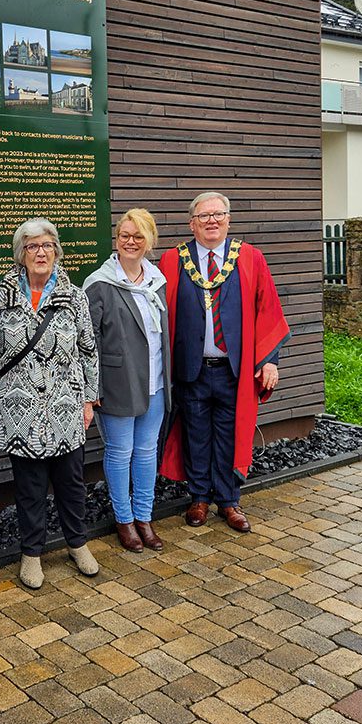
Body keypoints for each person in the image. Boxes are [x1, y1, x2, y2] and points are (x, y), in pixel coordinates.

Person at [158, 192, 290, 533]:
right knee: (196, 435)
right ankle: (199, 497)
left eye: (218, 214)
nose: (211, 221)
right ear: (192, 223)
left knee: (230, 435)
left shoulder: (249, 258)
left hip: (235, 370)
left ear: (229, 219)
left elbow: (268, 310)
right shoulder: (174, 260)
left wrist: (269, 360)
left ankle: (229, 500)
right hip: (191, 369)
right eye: (203, 216)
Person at [0, 218, 100, 589]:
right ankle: (32, 554)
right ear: (21, 254)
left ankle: (77, 543)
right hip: (20, 411)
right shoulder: (1, 295)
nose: (41, 253)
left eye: (47, 246)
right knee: (30, 487)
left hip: (66, 407)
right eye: (33, 247)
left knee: (71, 482)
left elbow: (88, 350)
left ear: (57, 252)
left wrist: (89, 399)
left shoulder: (75, 296)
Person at [84, 208, 171, 553]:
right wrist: (93, 390)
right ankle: (124, 520)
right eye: (125, 236)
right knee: (121, 452)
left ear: (149, 241)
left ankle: (144, 517)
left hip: (156, 383)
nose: (131, 242)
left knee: (147, 451)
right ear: (116, 239)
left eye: (138, 236)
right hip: (117, 385)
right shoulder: (100, 283)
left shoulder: (158, 281)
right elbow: (86, 341)